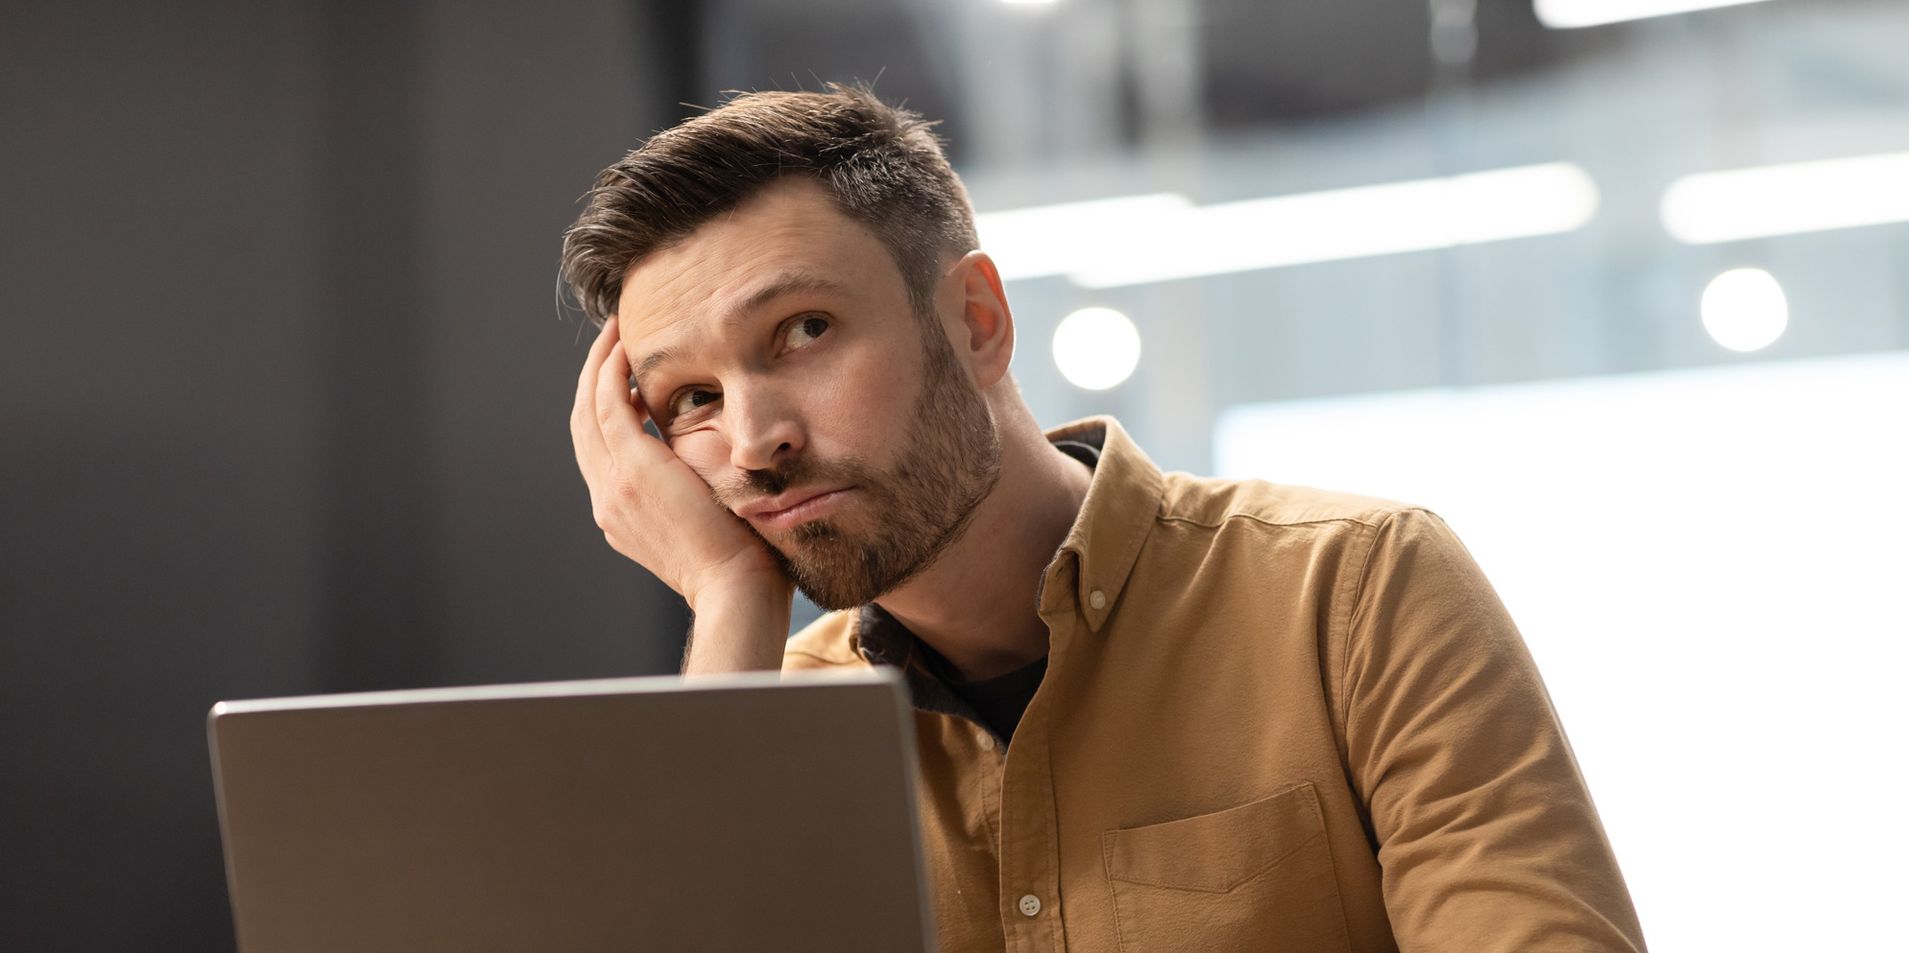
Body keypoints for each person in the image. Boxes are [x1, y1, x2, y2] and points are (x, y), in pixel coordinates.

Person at [562, 84, 1647, 953]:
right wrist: (731, 596)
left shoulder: (1354, 591)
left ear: (978, 321)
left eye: (804, 330)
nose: (754, 440)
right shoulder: (774, 723)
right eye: (690, 400)